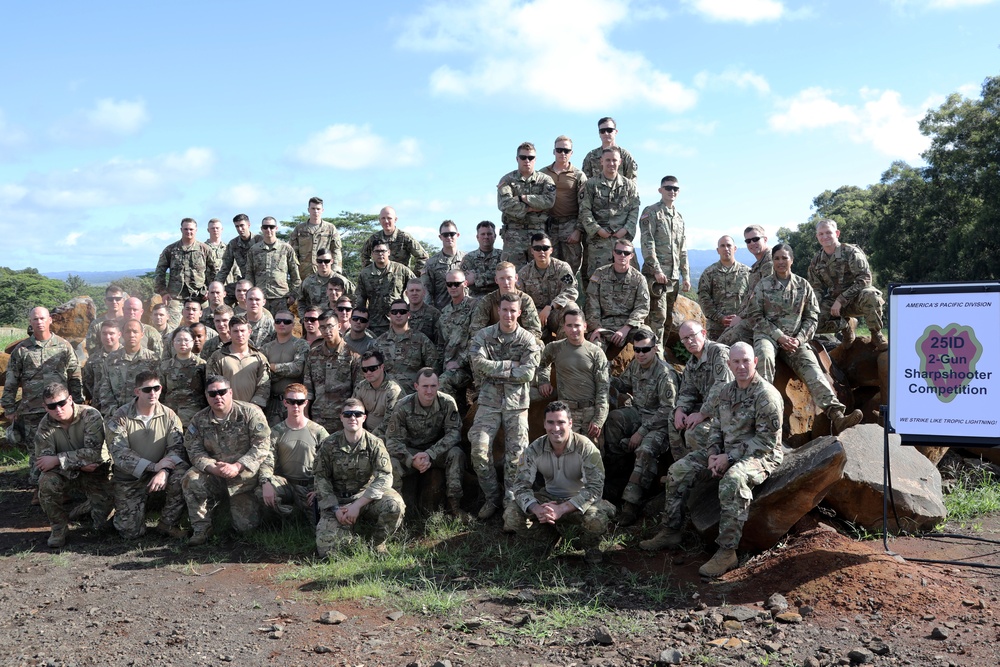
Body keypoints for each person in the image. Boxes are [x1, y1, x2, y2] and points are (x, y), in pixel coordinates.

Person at [640, 343, 782, 578]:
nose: (741, 366)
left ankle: (727, 551)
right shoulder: (726, 391)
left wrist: (730, 457)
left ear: (755, 361)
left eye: (746, 360)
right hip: (725, 451)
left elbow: (766, 441)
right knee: (678, 471)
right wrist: (713, 454)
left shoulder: (766, 395)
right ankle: (671, 530)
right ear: (729, 365)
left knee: (733, 481)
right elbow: (716, 426)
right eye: (736, 362)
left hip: (760, 455)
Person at [747, 243, 863, 434]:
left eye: (784, 258)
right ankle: (762, 413)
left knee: (813, 369)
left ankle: (837, 415)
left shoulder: (803, 285)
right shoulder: (763, 285)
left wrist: (800, 339)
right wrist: (779, 336)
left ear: (791, 260)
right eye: (776, 258)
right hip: (768, 337)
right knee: (764, 358)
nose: (780, 262)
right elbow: (756, 317)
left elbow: (812, 317)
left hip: (795, 340)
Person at [502, 401, 612, 564]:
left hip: (578, 501)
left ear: (570, 423)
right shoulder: (534, 449)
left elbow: (595, 489)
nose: (556, 428)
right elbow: (520, 485)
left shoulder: (586, 448)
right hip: (549, 499)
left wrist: (562, 508)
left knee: (596, 519)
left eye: (561, 422)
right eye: (551, 422)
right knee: (510, 515)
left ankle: (590, 546)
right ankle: (546, 538)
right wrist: (536, 508)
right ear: (544, 424)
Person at [468, 295, 541, 519]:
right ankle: (492, 497)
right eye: (505, 310)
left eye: (513, 311)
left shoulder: (528, 340)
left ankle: (510, 500)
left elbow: (528, 373)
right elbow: (478, 364)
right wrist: (511, 365)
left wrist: (495, 370)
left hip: (516, 405)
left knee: (516, 456)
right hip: (488, 403)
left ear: (519, 313)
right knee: (479, 451)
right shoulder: (484, 335)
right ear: (498, 310)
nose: (508, 315)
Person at [182, 375, 271, 545]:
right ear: (207, 396)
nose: (218, 397)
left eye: (222, 392)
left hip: (244, 477)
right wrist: (211, 467)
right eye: (213, 394)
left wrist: (237, 466)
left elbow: (262, 446)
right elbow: (194, 450)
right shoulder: (199, 420)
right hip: (215, 474)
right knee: (190, 478)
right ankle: (202, 528)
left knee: (246, 529)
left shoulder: (250, 412)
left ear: (230, 392)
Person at [605, 329, 681, 526]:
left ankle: (631, 504)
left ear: (655, 349)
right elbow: (623, 384)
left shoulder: (665, 374)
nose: (640, 353)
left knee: (645, 450)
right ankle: (617, 478)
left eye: (645, 349)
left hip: (660, 424)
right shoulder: (636, 365)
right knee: (614, 419)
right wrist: (603, 373)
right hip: (638, 413)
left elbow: (668, 410)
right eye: (637, 350)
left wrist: (642, 432)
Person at [313, 398, 405, 555]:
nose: (352, 418)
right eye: (348, 414)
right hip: (339, 502)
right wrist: (335, 508)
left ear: (364, 417)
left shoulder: (374, 443)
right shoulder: (329, 444)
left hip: (366, 499)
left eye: (357, 414)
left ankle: (377, 544)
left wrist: (358, 505)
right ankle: (347, 533)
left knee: (395, 504)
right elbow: (320, 478)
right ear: (341, 417)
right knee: (328, 552)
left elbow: (385, 476)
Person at [107, 371, 189, 539]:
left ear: (161, 389)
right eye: (147, 389)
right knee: (130, 532)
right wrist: (153, 466)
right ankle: (119, 510)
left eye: (156, 388)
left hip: (159, 473)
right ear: (137, 392)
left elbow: (177, 447)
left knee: (182, 475)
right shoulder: (121, 416)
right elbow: (119, 453)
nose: (152, 393)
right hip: (130, 479)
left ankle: (167, 523)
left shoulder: (169, 415)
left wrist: (163, 471)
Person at [33, 382, 114, 547]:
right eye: (52, 406)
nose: (58, 409)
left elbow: (94, 453)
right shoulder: (45, 425)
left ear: (70, 399)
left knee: (102, 527)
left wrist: (58, 459)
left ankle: (85, 508)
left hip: (97, 471)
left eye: (62, 403)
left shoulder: (90, 415)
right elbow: (43, 462)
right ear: (45, 406)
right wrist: (78, 464)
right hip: (71, 472)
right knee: (46, 482)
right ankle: (59, 529)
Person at [383, 368, 468, 519]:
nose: (429, 391)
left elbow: (454, 433)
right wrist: (410, 460)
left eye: (433, 386)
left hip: (435, 452)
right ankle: (396, 512)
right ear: (416, 386)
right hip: (411, 453)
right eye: (425, 386)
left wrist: (430, 453)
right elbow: (393, 440)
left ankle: (454, 507)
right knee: (392, 464)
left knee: (456, 454)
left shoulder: (447, 402)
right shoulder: (403, 406)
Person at [3, 308, 84, 460]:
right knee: (36, 452)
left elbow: (74, 375)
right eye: (35, 319)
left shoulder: (63, 346)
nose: (39, 322)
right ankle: (38, 479)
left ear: (50, 320)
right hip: (32, 409)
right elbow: (11, 380)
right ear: (30, 322)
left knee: (63, 446)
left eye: (42, 318)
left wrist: (78, 402)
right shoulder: (21, 350)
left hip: (60, 408)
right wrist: (9, 407)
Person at [808, 218, 888, 351]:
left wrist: (841, 299)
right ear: (817, 236)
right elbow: (816, 288)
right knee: (812, 320)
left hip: (857, 298)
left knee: (871, 295)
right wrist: (813, 308)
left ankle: (876, 335)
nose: (825, 236)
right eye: (821, 234)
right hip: (833, 302)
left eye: (828, 232)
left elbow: (865, 279)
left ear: (837, 233)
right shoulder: (816, 261)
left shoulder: (851, 252)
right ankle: (846, 327)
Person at [256, 383, 330, 522]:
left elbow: (329, 462)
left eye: (300, 402)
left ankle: (297, 515)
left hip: (309, 486)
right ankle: (285, 519)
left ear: (305, 403)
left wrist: (320, 488)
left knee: (316, 522)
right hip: (286, 484)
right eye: (291, 402)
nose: (295, 406)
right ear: (285, 403)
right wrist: (266, 482)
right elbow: (267, 459)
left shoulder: (318, 431)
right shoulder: (276, 432)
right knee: (261, 493)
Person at [535, 307, 609, 442]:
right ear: (564, 327)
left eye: (577, 325)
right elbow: (542, 365)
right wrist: (543, 381)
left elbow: (603, 388)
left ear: (585, 327)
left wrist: (599, 419)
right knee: (566, 454)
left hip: (590, 413)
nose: (573, 329)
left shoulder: (596, 353)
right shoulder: (554, 348)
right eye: (569, 325)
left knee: (592, 457)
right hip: (566, 413)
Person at [639, 175, 690, 344]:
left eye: (675, 188)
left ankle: (660, 354)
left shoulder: (679, 218)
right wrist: (657, 270)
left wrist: (686, 276)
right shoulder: (651, 212)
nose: (672, 191)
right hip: (656, 276)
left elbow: (682, 248)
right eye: (668, 188)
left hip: (673, 278)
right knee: (657, 316)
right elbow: (647, 242)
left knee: (668, 318)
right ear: (660, 190)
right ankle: (652, 354)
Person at [579, 146, 640, 281]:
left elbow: (634, 210)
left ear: (620, 162)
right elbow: (584, 210)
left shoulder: (629, 186)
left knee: (628, 280)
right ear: (601, 161)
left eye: (614, 160)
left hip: (623, 242)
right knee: (596, 281)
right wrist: (597, 230)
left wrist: (625, 229)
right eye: (608, 160)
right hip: (599, 242)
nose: (611, 163)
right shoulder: (590, 185)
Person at [674, 321, 733, 454]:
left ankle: (712, 466)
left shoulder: (719, 352)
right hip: (711, 410)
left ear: (703, 333)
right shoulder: (691, 363)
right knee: (674, 419)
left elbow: (722, 385)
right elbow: (687, 391)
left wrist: (702, 414)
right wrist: (680, 410)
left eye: (692, 336)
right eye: (684, 339)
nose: (689, 341)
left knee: (693, 432)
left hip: (729, 410)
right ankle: (683, 461)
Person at [497, 141, 556, 265]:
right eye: (523, 157)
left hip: (538, 234)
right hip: (513, 235)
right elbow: (505, 205)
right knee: (513, 275)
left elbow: (549, 201)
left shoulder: (545, 180)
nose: (527, 160)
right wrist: (531, 208)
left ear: (535, 159)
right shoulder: (507, 180)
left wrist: (523, 198)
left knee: (538, 273)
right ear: (517, 159)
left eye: (531, 157)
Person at [585, 239, 650, 353]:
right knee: (593, 352)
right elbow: (592, 304)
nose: (622, 255)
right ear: (613, 253)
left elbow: (642, 307)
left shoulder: (638, 279)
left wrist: (626, 328)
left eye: (626, 253)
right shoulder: (600, 274)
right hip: (604, 324)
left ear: (632, 256)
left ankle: (654, 370)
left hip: (630, 326)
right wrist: (596, 328)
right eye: (618, 252)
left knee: (649, 341)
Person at [154, 217, 219, 327]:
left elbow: (215, 272)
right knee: (171, 327)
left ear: (196, 230)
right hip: (176, 297)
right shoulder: (171, 250)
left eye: (191, 229)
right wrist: (163, 292)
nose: (189, 232)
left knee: (208, 324)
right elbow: (159, 272)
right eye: (186, 229)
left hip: (200, 295)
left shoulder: (205, 249)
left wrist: (210, 290)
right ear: (181, 230)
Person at [303, 309, 360, 433]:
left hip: (343, 417)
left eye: (330, 326)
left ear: (339, 326)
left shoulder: (352, 355)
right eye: (322, 327)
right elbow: (308, 389)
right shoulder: (313, 355)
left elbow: (357, 391)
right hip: (317, 417)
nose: (326, 331)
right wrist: (305, 414)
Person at [718, 225, 773, 346]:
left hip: (768, 320)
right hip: (755, 316)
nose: (752, 243)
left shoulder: (771, 263)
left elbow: (761, 297)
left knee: (723, 344)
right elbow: (750, 295)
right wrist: (739, 316)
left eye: (755, 239)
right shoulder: (757, 266)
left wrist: (741, 317)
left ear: (765, 239)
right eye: (748, 241)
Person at [518, 232, 578, 340]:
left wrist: (551, 306)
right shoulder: (524, 273)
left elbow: (571, 290)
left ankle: (563, 349)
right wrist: (534, 314)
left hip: (556, 312)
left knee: (572, 309)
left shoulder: (561, 268)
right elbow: (519, 298)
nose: (541, 251)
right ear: (532, 251)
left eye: (545, 248)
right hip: (535, 317)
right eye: (537, 248)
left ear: (551, 250)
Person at [540, 135, 587, 275]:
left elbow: (585, 205)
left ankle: (569, 296)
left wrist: (578, 230)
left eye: (566, 150)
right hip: (549, 225)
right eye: (559, 150)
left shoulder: (579, 175)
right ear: (553, 151)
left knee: (570, 270)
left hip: (570, 225)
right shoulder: (542, 173)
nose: (562, 153)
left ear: (571, 153)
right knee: (548, 268)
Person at [98, 319, 160, 418]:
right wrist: (116, 411)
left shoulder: (153, 359)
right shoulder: (111, 359)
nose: (131, 335)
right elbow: (105, 389)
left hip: (145, 416)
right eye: (128, 331)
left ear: (142, 334)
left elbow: (158, 390)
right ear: (122, 334)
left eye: (135, 332)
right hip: (117, 415)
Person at [374, 298, 439, 392]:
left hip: (413, 394)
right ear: (390, 315)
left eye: (402, 312)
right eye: (394, 312)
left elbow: (433, 368)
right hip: (386, 393)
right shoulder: (379, 342)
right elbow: (372, 371)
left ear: (409, 315)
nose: (398, 315)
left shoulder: (421, 339)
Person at [206, 316, 270, 410]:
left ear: (249, 332)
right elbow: (211, 384)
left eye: (242, 331)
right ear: (229, 333)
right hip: (226, 411)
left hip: (253, 411)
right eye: (235, 331)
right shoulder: (217, 357)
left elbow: (264, 385)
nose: (239, 334)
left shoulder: (259, 358)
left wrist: (255, 406)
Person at [355, 240, 416, 338]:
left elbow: (416, 287)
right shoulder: (365, 274)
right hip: (374, 324)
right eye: (377, 251)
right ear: (372, 254)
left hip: (398, 320)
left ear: (389, 252)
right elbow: (360, 299)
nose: (380, 254)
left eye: (383, 251)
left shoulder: (401, 270)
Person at [469, 262, 543, 341]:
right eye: (502, 278)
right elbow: (475, 329)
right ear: (496, 280)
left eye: (509, 278)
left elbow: (534, 330)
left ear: (516, 278)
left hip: (519, 342)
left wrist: (516, 343)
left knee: (538, 344)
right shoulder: (488, 300)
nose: (506, 282)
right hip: (493, 342)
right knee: (472, 344)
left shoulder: (525, 300)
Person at [261, 310, 311, 425]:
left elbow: (297, 369)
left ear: (293, 325)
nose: (282, 324)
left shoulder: (301, 345)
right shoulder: (266, 348)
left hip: (295, 403)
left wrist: (273, 367)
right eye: (278, 321)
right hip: (272, 402)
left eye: (286, 321)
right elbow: (263, 374)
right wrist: (285, 368)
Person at [245, 216, 302, 314]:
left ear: (276, 228)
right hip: (260, 298)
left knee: (282, 327)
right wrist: (250, 295)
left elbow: (295, 275)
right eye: (265, 227)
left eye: (271, 227)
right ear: (261, 229)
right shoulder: (254, 250)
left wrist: (293, 295)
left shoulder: (286, 249)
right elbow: (249, 274)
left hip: (281, 298)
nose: (268, 230)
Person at [437, 269, 478, 402]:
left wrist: (459, 362)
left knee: (442, 382)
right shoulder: (444, 313)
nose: (453, 287)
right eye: (449, 284)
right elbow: (441, 344)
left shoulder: (475, 307)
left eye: (457, 283)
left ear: (465, 283)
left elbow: (477, 341)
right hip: (450, 368)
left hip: (471, 367)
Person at [699, 236, 750, 341]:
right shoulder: (709, 273)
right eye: (722, 246)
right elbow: (703, 298)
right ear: (718, 250)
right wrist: (720, 317)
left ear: (735, 248)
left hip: (741, 327)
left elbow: (753, 299)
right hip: (716, 329)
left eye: (729, 245)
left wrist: (741, 318)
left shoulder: (747, 273)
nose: (726, 248)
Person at [160, 326, 208, 427]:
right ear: (173, 342)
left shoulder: (202, 365)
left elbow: (206, 392)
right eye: (178, 340)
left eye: (186, 340)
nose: (182, 343)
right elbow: (161, 393)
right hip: (170, 418)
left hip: (195, 418)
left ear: (193, 341)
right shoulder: (165, 366)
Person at [360, 206, 429, 274]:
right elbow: (364, 256)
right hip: (379, 281)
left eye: (389, 218)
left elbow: (423, 257)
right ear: (379, 220)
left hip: (401, 280)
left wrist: (413, 277)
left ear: (395, 219)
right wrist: (370, 273)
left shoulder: (405, 237)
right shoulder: (374, 238)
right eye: (383, 218)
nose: (386, 221)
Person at [289, 196, 343, 279]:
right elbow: (293, 253)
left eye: (318, 209)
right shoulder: (299, 229)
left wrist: (336, 271)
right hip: (303, 273)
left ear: (322, 210)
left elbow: (336, 251)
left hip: (325, 272)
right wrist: (294, 273)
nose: (315, 211)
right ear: (308, 210)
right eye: (313, 208)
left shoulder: (330, 228)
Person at [352, 350, 403, 438]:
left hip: (389, 435)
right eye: (365, 369)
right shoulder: (361, 387)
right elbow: (353, 411)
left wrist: (368, 438)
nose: (368, 372)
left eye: (373, 368)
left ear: (382, 367)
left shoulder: (393, 390)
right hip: (365, 433)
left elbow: (389, 422)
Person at [215, 213, 261, 305]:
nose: (240, 229)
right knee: (221, 295)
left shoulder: (260, 241)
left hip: (261, 283)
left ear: (248, 225)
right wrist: (216, 287)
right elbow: (225, 269)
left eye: (242, 226)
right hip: (244, 283)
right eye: (237, 226)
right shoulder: (233, 244)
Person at [297, 247, 355, 316]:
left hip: (336, 322)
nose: (323, 264)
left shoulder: (342, 281)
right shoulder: (308, 282)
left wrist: (349, 316)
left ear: (332, 261)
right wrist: (303, 318)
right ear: (316, 261)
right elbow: (301, 301)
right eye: (320, 261)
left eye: (326, 261)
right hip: (315, 322)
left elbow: (356, 298)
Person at [422, 220, 465, 310]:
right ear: (440, 237)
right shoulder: (431, 263)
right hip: (441, 313)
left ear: (457, 235)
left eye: (452, 234)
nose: (449, 237)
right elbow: (427, 292)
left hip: (464, 312)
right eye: (445, 235)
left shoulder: (467, 259)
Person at [580, 116, 638, 181]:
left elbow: (632, 182)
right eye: (602, 131)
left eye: (609, 130)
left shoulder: (625, 156)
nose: (606, 133)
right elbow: (585, 183)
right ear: (599, 133)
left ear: (615, 132)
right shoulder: (591, 156)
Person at [83, 319, 121, 415]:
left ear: (119, 335)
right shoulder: (93, 359)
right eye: (104, 333)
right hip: (100, 409)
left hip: (122, 408)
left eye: (111, 333)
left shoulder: (126, 356)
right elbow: (88, 382)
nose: (107, 337)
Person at [460, 221, 502, 297]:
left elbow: (504, 278)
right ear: (477, 237)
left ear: (495, 236)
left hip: (499, 299)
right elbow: (467, 282)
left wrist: (476, 278)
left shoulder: (502, 256)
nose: (486, 236)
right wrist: (494, 278)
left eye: (489, 234)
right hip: (475, 301)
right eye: (483, 234)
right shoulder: (469, 258)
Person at [84, 284, 126, 356]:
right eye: (110, 299)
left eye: (118, 299)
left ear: (123, 300)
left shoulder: (129, 323)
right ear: (105, 301)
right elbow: (91, 349)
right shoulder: (96, 325)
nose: (114, 302)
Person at [405, 279, 441, 344]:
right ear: (406, 293)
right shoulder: (401, 313)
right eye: (411, 290)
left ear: (424, 293)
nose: (414, 293)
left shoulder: (434, 314)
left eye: (418, 290)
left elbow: (439, 341)